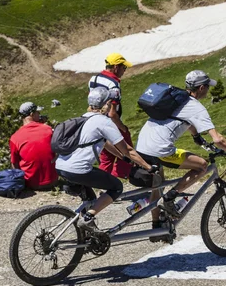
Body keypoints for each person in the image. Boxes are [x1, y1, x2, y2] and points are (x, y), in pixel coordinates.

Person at [136, 70, 226, 230]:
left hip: (142, 145)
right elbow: (218, 139)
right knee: (201, 165)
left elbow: (184, 119)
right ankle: (171, 197)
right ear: (201, 88)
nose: (208, 90)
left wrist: (196, 136)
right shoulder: (195, 107)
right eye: (207, 87)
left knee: (157, 185)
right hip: (160, 149)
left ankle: (157, 226)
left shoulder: (174, 99)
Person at [55, 87, 157, 234]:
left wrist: (122, 158)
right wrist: (148, 167)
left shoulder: (84, 118)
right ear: (107, 103)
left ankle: (87, 234)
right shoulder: (103, 121)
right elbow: (128, 149)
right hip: (79, 169)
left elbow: (106, 143)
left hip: (61, 166)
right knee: (116, 187)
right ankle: (88, 218)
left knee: (90, 199)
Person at [88, 53, 134, 179]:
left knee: (106, 155)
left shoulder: (94, 79)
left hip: (96, 120)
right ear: (115, 67)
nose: (124, 71)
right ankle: (119, 176)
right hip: (110, 122)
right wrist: (123, 128)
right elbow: (112, 113)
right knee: (126, 148)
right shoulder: (114, 84)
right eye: (123, 67)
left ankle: (103, 181)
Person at [9, 102, 58, 190]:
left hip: (31, 184)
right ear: (32, 114)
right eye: (38, 113)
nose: (39, 115)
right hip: (53, 181)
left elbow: (14, 164)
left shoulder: (15, 137)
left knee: (14, 159)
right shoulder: (48, 129)